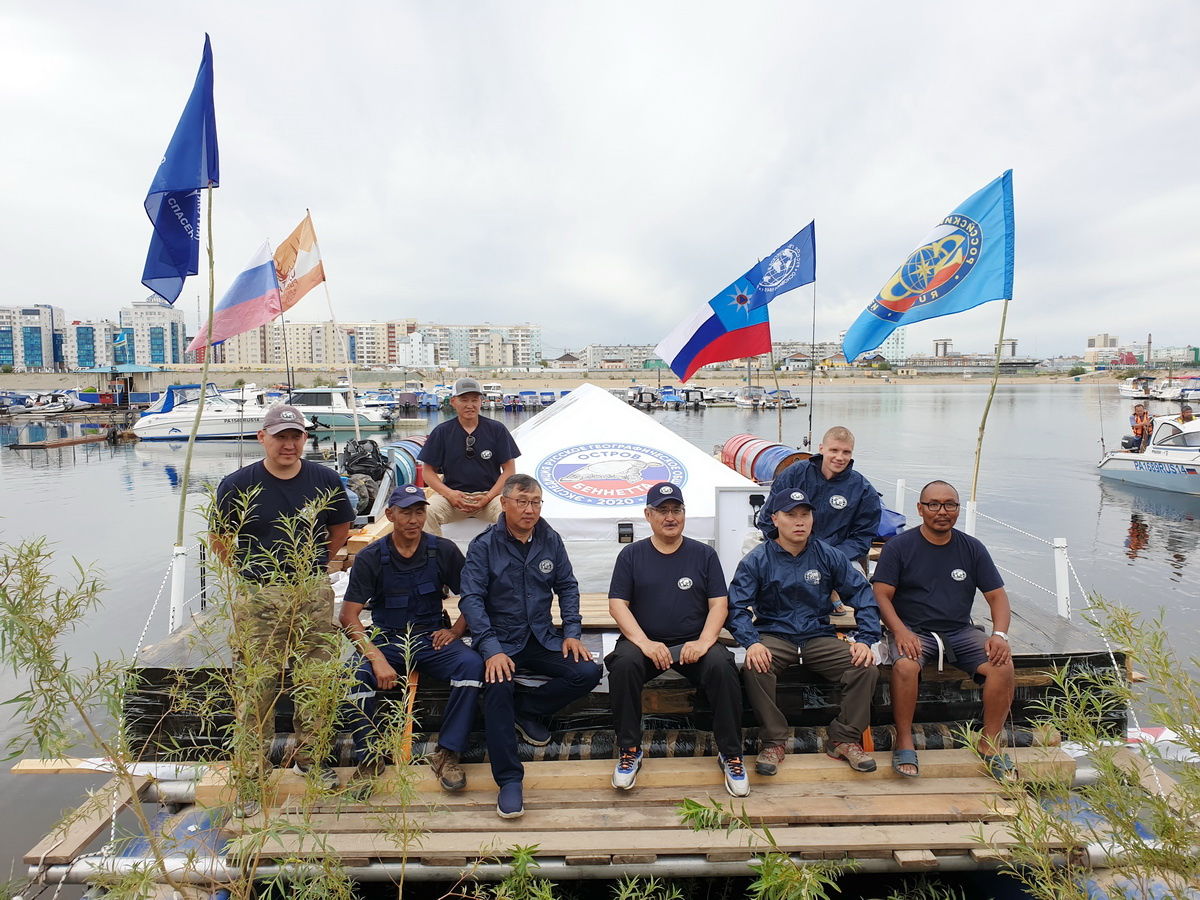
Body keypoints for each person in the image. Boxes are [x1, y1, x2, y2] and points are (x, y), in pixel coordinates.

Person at [212, 405, 356, 809]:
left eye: (296, 436)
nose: (289, 444)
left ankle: (310, 759)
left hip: (311, 591)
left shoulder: (323, 479)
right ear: (263, 438)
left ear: (304, 440)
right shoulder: (238, 483)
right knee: (258, 686)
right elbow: (220, 538)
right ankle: (251, 777)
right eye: (280, 437)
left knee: (315, 681)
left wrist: (317, 564)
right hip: (260, 596)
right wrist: (249, 574)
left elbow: (341, 526)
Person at [458, 473, 602, 819]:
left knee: (587, 671)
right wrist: (490, 648)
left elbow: (567, 585)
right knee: (496, 684)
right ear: (504, 504)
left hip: (540, 636)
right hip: (500, 639)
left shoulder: (549, 539)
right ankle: (509, 779)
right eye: (521, 502)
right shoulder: (484, 546)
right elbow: (471, 600)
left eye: (535, 502)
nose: (529, 509)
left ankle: (527, 709)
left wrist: (571, 631)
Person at [339, 484, 484, 794]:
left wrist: (456, 631)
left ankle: (447, 753)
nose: (414, 519)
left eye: (420, 512)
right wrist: (376, 660)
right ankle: (370, 757)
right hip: (387, 640)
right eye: (406, 512)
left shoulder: (442, 551)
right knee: (353, 674)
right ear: (390, 514)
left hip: (430, 638)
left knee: (471, 666)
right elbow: (348, 617)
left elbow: (474, 598)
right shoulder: (369, 558)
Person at [605, 483, 747, 796]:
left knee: (723, 665)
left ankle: (731, 753)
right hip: (646, 644)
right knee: (624, 664)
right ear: (648, 515)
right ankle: (629, 750)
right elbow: (617, 605)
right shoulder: (631, 555)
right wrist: (644, 643)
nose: (670, 517)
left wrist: (705, 641)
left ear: (684, 514)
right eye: (662, 510)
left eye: (676, 510)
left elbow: (719, 605)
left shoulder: (704, 555)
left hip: (692, 644)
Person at [871, 480, 1016, 782]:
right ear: (920, 509)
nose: (942, 511)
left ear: (958, 509)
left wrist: (999, 635)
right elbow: (881, 595)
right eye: (934, 504)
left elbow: (997, 596)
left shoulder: (972, 548)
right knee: (906, 666)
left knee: (1003, 667)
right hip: (913, 630)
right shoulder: (900, 547)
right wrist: (899, 631)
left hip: (959, 631)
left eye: (950, 504)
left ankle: (989, 743)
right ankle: (905, 739)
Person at [730, 489, 881, 776]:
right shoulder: (757, 559)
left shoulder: (829, 556)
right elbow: (736, 608)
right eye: (790, 515)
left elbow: (862, 594)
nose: (799, 522)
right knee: (755, 665)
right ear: (775, 519)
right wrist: (751, 643)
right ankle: (774, 741)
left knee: (865, 667)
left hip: (817, 635)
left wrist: (866, 639)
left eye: (805, 515)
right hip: (774, 634)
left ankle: (843, 737)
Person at [756, 426, 881, 614]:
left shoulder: (862, 489)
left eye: (846, 452)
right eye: (834, 450)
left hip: (836, 557)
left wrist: (829, 559)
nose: (840, 457)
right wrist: (789, 551)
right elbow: (767, 519)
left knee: (860, 595)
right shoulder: (795, 474)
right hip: (790, 550)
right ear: (822, 449)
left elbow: (863, 536)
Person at [418, 377, 520, 536]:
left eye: (474, 400)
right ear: (453, 401)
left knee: (511, 514)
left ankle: (505, 559)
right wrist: (449, 494)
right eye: (464, 400)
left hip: (490, 497)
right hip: (452, 498)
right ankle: (436, 557)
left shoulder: (497, 429)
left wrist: (487, 497)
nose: (470, 405)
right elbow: (428, 472)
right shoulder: (442, 432)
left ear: (481, 401)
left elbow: (509, 470)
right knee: (426, 511)